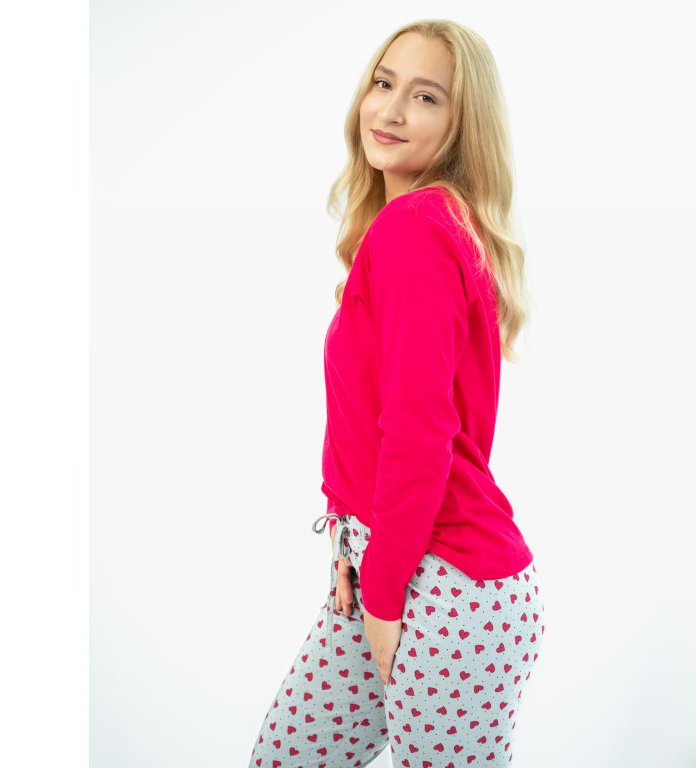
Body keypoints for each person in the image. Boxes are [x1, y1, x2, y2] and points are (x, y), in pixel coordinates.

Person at [248, 19, 546, 768]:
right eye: (384, 83)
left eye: (425, 96)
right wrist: (362, 567)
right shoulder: (431, 225)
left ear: (461, 124)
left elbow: (418, 436)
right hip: (387, 565)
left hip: (440, 586)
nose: (390, 109)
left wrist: (384, 596)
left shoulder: (416, 229)